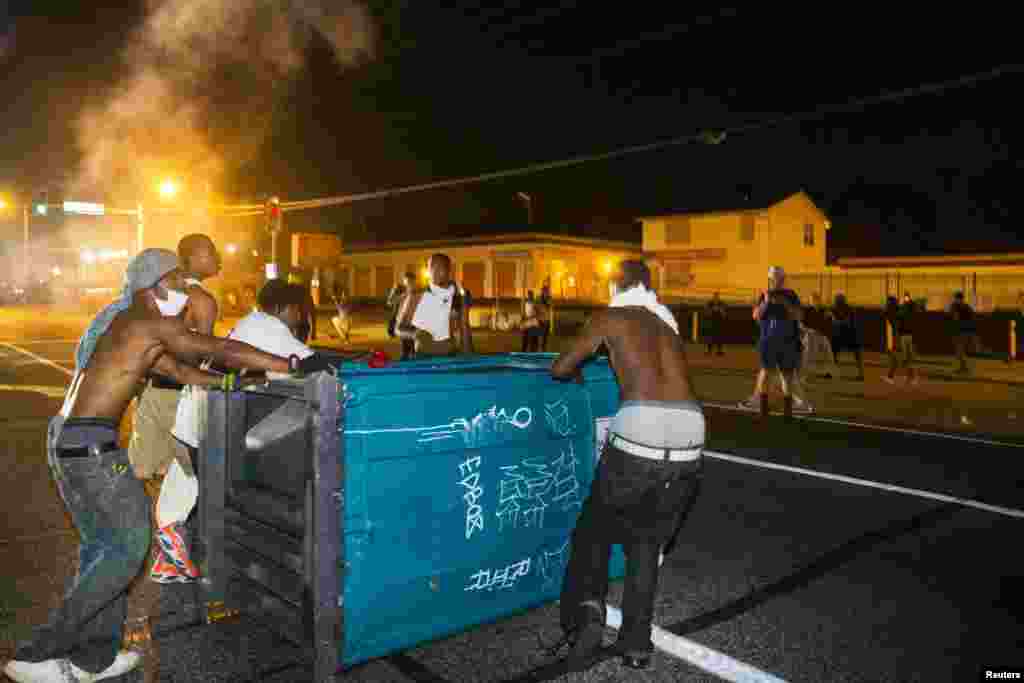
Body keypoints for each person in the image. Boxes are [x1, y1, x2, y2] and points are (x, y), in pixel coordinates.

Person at [4, 250, 333, 683]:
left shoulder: (137, 332)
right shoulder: (146, 321)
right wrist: (290, 363)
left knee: (104, 548)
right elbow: (213, 345)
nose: (185, 289)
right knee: (126, 548)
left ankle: (94, 657)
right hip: (90, 447)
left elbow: (184, 370)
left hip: (69, 439)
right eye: (176, 281)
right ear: (150, 286)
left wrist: (236, 381)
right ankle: (37, 652)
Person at [549, 260, 702, 672]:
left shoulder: (611, 316)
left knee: (594, 528)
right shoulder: (667, 323)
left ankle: (587, 616)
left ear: (617, 286)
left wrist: (582, 367)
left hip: (640, 430)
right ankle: (636, 645)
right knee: (645, 543)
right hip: (691, 433)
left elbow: (560, 367)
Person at [129, 234, 220, 585]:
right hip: (180, 394)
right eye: (211, 253)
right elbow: (203, 355)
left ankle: (162, 544)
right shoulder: (202, 301)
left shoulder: (157, 295)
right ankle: (175, 547)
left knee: (149, 471)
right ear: (194, 257)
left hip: (154, 390)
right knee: (189, 472)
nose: (218, 260)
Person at [738, 266, 813, 418]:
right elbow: (756, 316)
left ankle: (787, 411)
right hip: (768, 342)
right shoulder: (764, 294)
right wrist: (766, 302)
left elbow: (799, 315)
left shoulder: (791, 295)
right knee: (766, 372)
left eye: (779, 278)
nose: (776, 281)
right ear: (770, 279)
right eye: (773, 278)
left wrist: (784, 303)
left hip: (787, 342)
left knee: (787, 375)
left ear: (783, 279)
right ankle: (764, 408)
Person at [395, 253, 473, 358]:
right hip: (422, 358)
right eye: (431, 267)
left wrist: (468, 356)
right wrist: (415, 334)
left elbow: (464, 327)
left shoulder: (457, 297)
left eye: (440, 267)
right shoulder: (416, 296)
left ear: (449, 271)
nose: (434, 272)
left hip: (449, 356)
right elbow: (398, 329)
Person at [800, 292, 839, 381]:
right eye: (813, 300)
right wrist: (808, 331)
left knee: (828, 354)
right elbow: (801, 324)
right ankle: (804, 375)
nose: (815, 301)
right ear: (810, 301)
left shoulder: (824, 310)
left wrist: (831, 316)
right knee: (808, 356)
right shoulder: (807, 311)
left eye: (817, 299)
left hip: (822, 335)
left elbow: (831, 320)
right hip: (810, 336)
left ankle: (828, 372)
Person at [830, 293, 865, 380]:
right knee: (833, 353)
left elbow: (847, 322)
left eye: (838, 300)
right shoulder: (835, 309)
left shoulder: (849, 310)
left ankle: (861, 374)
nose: (836, 302)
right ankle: (831, 371)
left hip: (851, 335)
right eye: (836, 301)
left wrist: (834, 320)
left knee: (857, 354)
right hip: (840, 335)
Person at [884, 293, 918, 384]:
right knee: (905, 359)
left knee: (899, 358)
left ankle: (892, 377)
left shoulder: (898, 312)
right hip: (906, 336)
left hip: (902, 337)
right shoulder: (900, 311)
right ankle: (911, 377)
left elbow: (895, 320)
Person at [949, 290, 977, 374]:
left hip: (962, 331)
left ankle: (964, 368)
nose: (955, 300)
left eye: (956, 298)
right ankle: (963, 367)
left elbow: (955, 318)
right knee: (960, 351)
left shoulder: (960, 307)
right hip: (963, 331)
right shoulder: (965, 306)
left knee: (960, 351)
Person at [387, 272, 414, 339]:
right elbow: (390, 302)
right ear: (404, 280)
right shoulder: (398, 288)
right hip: (398, 316)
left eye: (411, 281)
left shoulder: (415, 290)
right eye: (408, 280)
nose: (409, 283)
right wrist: (403, 296)